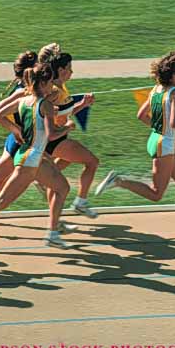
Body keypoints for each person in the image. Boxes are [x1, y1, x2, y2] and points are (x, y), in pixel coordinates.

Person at [0, 63, 76, 262]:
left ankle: (53, 234)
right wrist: (68, 127)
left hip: (32, 158)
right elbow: (52, 134)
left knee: (62, 187)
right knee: (0, 202)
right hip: (30, 160)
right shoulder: (44, 104)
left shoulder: (25, 100)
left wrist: (16, 130)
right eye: (50, 85)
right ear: (44, 83)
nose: (53, 88)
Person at [95, 52, 175, 241]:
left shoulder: (157, 90)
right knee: (156, 194)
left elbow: (141, 115)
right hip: (164, 146)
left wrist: (160, 128)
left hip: (157, 140)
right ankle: (119, 181)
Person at [38, 43, 99, 218]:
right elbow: (42, 110)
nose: (72, 72)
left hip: (57, 138)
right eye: (70, 68)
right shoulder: (55, 91)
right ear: (62, 70)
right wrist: (64, 126)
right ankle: (81, 202)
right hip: (56, 139)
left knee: (55, 176)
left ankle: (55, 221)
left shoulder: (61, 88)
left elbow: (66, 110)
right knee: (92, 162)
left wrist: (83, 104)